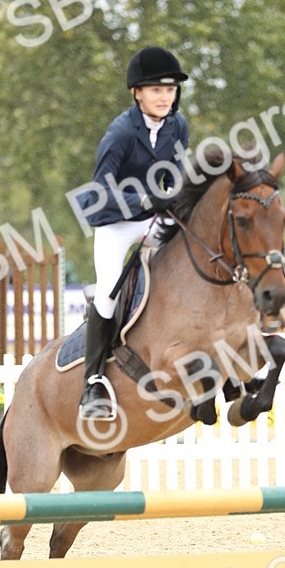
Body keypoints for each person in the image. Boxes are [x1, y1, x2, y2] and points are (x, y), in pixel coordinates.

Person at [77, 46, 189, 420]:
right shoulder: (121, 132)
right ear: (136, 93)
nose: (164, 97)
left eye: (170, 90)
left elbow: (177, 176)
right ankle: (92, 384)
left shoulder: (178, 126)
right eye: (156, 90)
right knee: (109, 288)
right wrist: (143, 197)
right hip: (117, 222)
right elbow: (97, 194)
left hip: (156, 218)